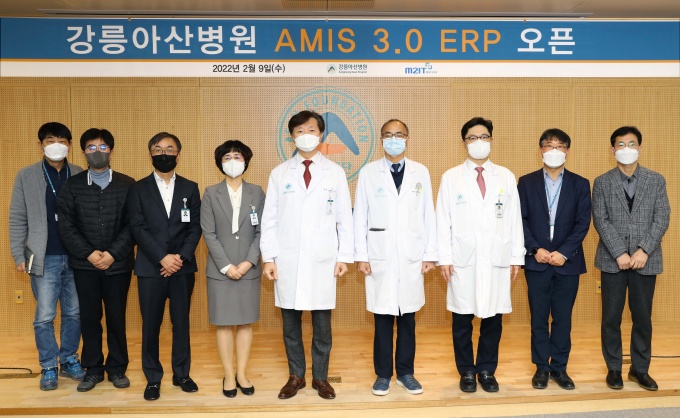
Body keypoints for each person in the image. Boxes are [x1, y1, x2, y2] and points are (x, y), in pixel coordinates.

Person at [260, 110, 353, 400]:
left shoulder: (335, 172)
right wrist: (268, 257)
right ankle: (296, 376)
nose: (306, 135)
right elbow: (269, 220)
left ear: (321, 134)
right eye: (299, 131)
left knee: (322, 326)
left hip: (323, 260)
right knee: (291, 325)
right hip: (287, 261)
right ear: (292, 136)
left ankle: (321, 378)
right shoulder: (279, 173)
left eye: (311, 130)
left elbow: (344, 219)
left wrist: (343, 256)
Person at [436, 116, 524, 393]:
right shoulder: (451, 177)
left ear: (491, 140)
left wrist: (516, 257)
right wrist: (444, 257)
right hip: (462, 260)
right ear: (464, 143)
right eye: (472, 138)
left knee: (493, 319)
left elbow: (514, 219)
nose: (479, 142)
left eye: (484, 137)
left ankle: (486, 370)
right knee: (462, 320)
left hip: (497, 257)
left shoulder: (506, 176)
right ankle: (466, 371)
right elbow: (442, 220)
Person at [353, 119, 436, 396]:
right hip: (380, 256)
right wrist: (361, 255)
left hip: (412, 255)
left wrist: (430, 254)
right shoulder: (368, 173)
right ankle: (383, 375)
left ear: (407, 138)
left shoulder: (420, 172)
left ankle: (405, 372)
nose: (394, 139)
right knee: (383, 319)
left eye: (399, 134)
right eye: (388, 135)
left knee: (408, 319)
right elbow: (360, 215)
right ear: (381, 140)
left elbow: (428, 214)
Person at [57, 128, 135, 392]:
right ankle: (93, 369)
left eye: (103, 147)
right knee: (89, 318)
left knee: (116, 318)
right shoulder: (72, 185)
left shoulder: (128, 184)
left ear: (111, 151)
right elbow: (66, 226)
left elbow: (133, 224)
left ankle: (117, 368)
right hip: (84, 266)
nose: (97, 152)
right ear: (83, 152)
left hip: (119, 265)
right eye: (91, 148)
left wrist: (112, 253)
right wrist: (89, 253)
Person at [592, 126, 670, 391]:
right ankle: (614, 368)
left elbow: (662, 217)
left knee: (643, 318)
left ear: (640, 147)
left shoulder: (656, 180)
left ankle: (640, 369)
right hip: (612, 261)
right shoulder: (602, 182)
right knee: (610, 318)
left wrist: (643, 250)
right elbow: (600, 220)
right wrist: (619, 253)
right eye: (621, 144)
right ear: (612, 150)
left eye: (632, 144)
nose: (627, 149)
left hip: (645, 261)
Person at [127, 132, 202, 401]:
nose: (164, 154)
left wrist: (179, 257)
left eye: (170, 149)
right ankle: (153, 378)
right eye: (158, 149)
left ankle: (182, 374)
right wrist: (162, 258)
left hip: (182, 268)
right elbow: (137, 227)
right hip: (150, 268)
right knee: (151, 325)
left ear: (178, 155)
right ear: (150, 154)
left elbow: (195, 227)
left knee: (181, 323)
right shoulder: (138, 188)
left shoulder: (190, 187)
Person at [9, 122, 85, 391]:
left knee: (74, 313)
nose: (56, 145)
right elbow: (17, 218)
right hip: (44, 257)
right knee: (44, 316)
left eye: (62, 140)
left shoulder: (79, 173)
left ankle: (69, 358)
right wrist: (18, 253)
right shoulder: (26, 176)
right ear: (40, 144)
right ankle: (49, 365)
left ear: (70, 145)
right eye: (51, 140)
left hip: (77, 257)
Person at [518, 128, 591, 390]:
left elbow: (583, 223)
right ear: (540, 151)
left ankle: (559, 367)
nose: (554, 151)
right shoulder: (526, 182)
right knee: (538, 318)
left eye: (560, 146)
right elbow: (520, 220)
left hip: (567, 263)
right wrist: (534, 248)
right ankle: (541, 367)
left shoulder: (580, 184)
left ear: (567, 152)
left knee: (562, 318)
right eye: (549, 146)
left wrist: (564, 252)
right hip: (536, 261)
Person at [201, 140, 265, 398]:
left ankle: (242, 373)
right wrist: (227, 266)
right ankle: (228, 374)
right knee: (224, 324)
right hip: (221, 271)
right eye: (226, 157)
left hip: (249, 268)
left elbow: (262, 231)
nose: (232, 161)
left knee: (246, 324)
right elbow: (208, 233)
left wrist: (249, 262)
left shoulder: (257, 192)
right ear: (220, 163)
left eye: (237, 156)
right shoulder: (210, 193)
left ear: (246, 161)